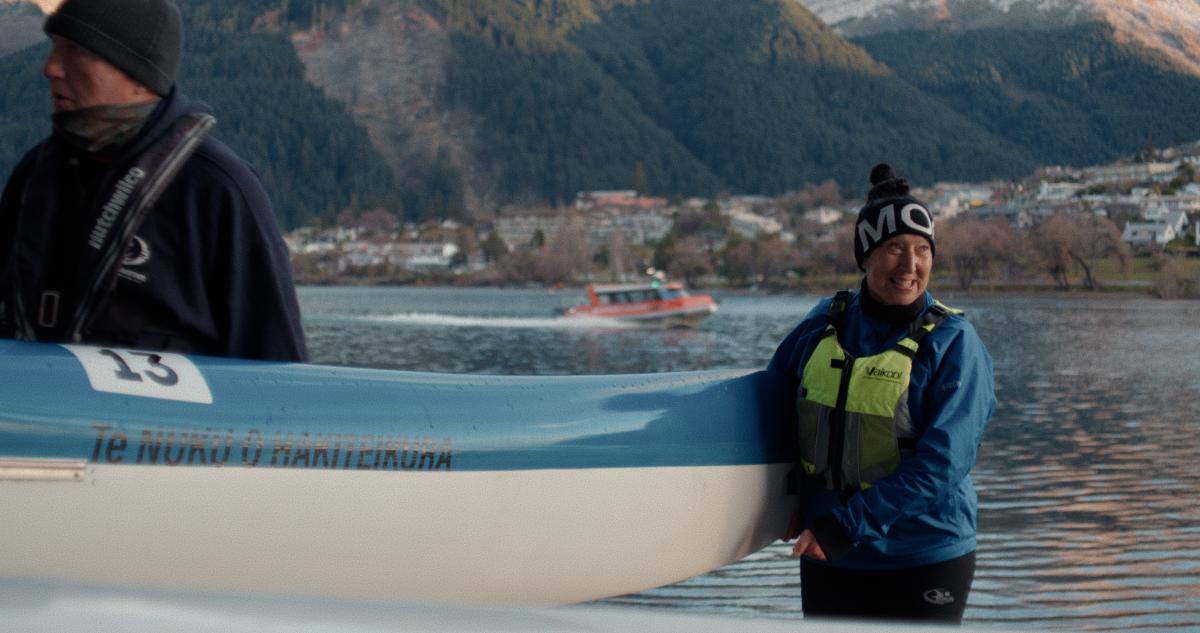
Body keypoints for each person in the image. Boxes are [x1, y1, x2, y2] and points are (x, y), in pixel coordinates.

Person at [0, 0, 307, 362]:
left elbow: (278, 368)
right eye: (53, 48)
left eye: (76, 51)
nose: (50, 68)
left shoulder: (217, 189)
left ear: (136, 73)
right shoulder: (35, 175)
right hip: (35, 414)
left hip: (164, 420)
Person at [769, 163, 995, 624]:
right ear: (865, 256)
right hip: (831, 553)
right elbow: (774, 405)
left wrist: (846, 525)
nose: (910, 266)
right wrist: (785, 499)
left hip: (923, 556)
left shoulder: (954, 343)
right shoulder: (822, 324)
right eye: (894, 248)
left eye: (922, 250)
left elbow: (943, 464)